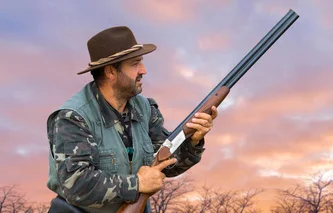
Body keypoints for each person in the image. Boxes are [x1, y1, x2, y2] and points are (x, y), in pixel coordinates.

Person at [45, 26, 218, 213]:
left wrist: (193, 141)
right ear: (111, 72)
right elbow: (76, 185)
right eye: (135, 63)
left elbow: (166, 164)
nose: (143, 70)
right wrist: (136, 184)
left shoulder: (145, 109)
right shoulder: (73, 117)